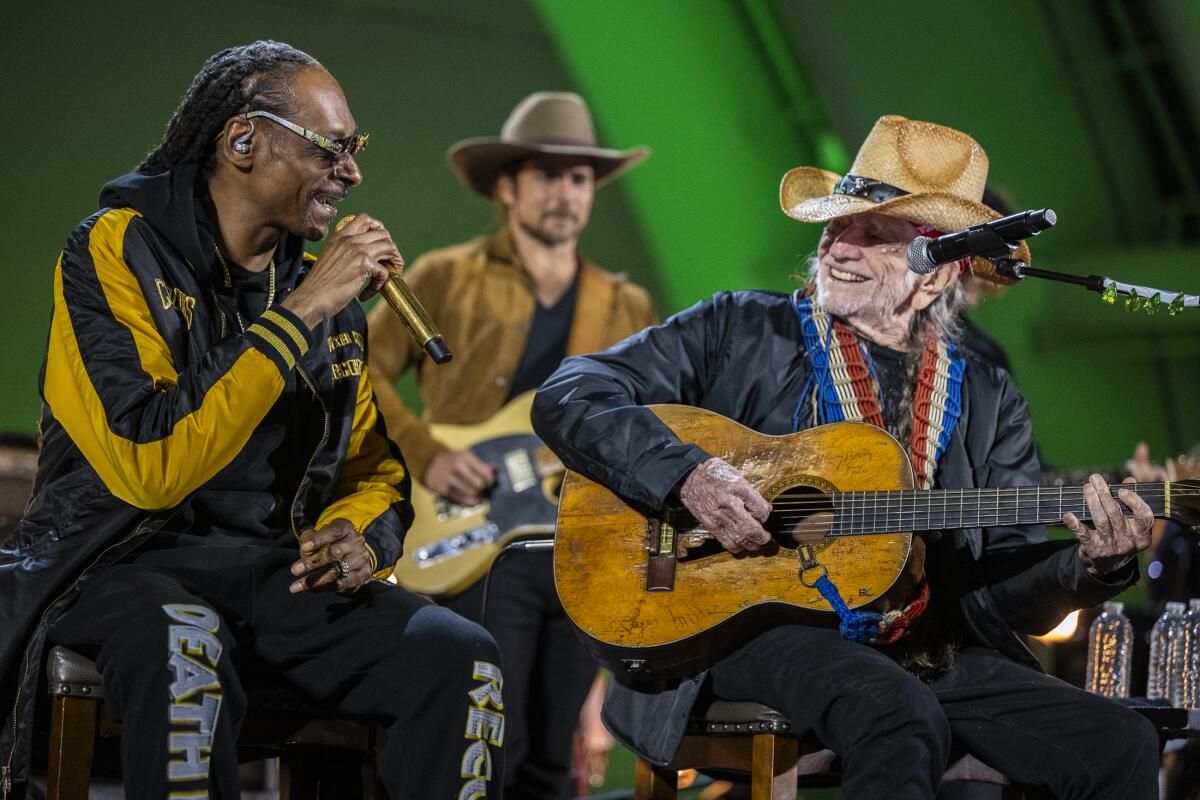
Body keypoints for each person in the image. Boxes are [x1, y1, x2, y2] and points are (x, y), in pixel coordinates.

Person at [531, 115, 1161, 799]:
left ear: (935, 275)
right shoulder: (741, 328)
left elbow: (1000, 585)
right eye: (837, 224)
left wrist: (1094, 568)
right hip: (739, 627)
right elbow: (572, 391)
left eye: (874, 233)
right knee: (896, 713)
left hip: (918, 640)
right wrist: (684, 473)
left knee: (1120, 740)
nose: (839, 246)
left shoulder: (989, 396)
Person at [0, 41, 504, 800]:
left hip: (272, 575)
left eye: (355, 149)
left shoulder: (327, 302)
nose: (352, 173)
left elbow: (372, 470)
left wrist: (359, 539)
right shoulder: (116, 248)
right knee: (185, 643)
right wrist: (302, 312)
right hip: (118, 563)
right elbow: (148, 465)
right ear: (242, 141)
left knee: (461, 657)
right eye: (331, 148)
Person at [366, 91, 657, 798]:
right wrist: (426, 452)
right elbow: (359, 369)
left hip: (577, 544)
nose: (565, 193)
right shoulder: (442, 275)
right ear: (506, 187)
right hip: (478, 541)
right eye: (547, 175)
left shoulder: (625, 305)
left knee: (552, 755)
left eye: (579, 178)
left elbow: (646, 421)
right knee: (489, 736)